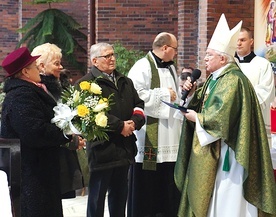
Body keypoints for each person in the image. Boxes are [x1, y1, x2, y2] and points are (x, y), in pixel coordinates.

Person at [174, 14, 276, 217]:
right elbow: (204, 104)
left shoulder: (232, 79)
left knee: (228, 198)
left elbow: (222, 116)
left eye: (209, 55)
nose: (204, 59)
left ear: (222, 58)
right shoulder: (215, 78)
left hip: (231, 149)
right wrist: (191, 95)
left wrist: (198, 119)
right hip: (217, 145)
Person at [0, 47, 85, 217]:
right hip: (32, 173)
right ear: (25, 71)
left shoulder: (30, 90)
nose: (39, 68)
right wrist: (65, 136)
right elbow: (34, 131)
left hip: (42, 170)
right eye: (34, 66)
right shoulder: (21, 95)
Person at [75, 42, 145, 217]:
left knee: (120, 198)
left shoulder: (125, 81)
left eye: (113, 54)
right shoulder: (85, 84)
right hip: (102, 150)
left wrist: (134, 123)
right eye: (107, 56)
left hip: (124, 147)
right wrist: (120, 126)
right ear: (95, 61)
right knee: (97, 199)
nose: (112, 58)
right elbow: (88, 116)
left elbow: (139, 105)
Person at [127, 32, 181, 217]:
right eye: (175, 49)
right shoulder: (141, 66)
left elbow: (177, 95)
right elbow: (135, 96)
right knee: (148, 184)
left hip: (171, 133)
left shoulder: (172, 68)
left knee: (168, 178)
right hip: (150, 135)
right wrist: (164, 94)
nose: (176, 53)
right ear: (165, 48)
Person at [31, 43, 85, 199]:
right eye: (56, 63)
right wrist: (70, 139)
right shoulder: (39, 90)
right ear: (41, 66)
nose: (60, 67)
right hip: (47, 157)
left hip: (62, 152)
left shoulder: (60, 85)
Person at [235, 27, 275, 146]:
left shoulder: (263, 64)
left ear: (251, 42)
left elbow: (265, 92)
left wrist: (242, 106)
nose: (238, 43)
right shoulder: (228, 65)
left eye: (243, 40)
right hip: (233, 122)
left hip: (255, 120)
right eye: (237, 40)